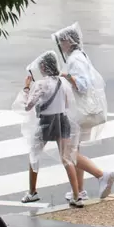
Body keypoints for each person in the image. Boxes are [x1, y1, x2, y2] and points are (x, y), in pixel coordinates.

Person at [52, 22, 114, 200]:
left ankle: (101, 175)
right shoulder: (79, 56)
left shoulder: (75, 59)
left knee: (68, 153)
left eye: (61, 42)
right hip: (77, 111)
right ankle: (79, 190)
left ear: (68, 41)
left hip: (75, 113)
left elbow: (83, 84)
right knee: (74, 150)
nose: (60, 46)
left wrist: (65, 77)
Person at [12, 51, 85, 208]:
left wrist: (26, 88)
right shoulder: (62, 83)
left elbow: (27, 106)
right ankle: (76, 195)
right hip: (62, 120)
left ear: (44, 67)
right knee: (66, 158)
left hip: (46, 122)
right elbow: (66, 104)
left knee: (34, 155)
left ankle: (32, 192)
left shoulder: (41, 84)